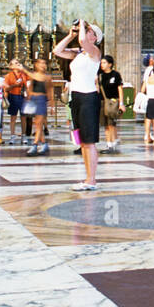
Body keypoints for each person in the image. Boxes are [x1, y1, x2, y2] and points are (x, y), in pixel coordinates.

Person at [54, 19, 102, 191]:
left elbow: (82, 41)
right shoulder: (79, 54)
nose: (86, 32)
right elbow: (57, 51)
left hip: (89, 98)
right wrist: (70, 35)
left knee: (89, 141)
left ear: (95, 38)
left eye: (90, 31)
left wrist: (82, 24)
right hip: (76, 97)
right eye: (86, 30)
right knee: (82, 141)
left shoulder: (94, 51)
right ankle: (88, 178)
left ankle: (92, 180)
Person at [23, 57, 51, 156]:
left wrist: (51, 105)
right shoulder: (33, 75)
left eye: (44, 63)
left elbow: (50, 91)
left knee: (38, 124)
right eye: (40, 63)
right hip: (34, 100)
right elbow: (30, 88)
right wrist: (28, 99)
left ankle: (34, 145)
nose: (42, 65)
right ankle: (44, 144)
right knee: (37, 124)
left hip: (41, 100)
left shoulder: (47, 77)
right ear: (36, 65)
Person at [99, 55, 124, 153]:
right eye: (101, 63)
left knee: (111, 124)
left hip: (113, 102)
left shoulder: (116, 75)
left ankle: (112, 143)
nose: (102, 64)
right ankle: (109, 144)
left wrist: (121, 103)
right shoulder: (100, 75)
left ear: (110, 64)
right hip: (103, 102)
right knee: (105, 124)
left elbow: (120, 89)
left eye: (104, 63)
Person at [3, 58, 28, 144]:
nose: (18, 64)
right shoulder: (8, 76)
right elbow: (6, 88)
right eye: (16, 63)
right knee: (13, 117)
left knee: (23, 117)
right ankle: (12, 136)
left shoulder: (24, 74)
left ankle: (24, 135)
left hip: (23, 96)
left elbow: (29, 83)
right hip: (13, 96)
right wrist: (14, 85)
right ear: (11, 66)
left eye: (18, 63)